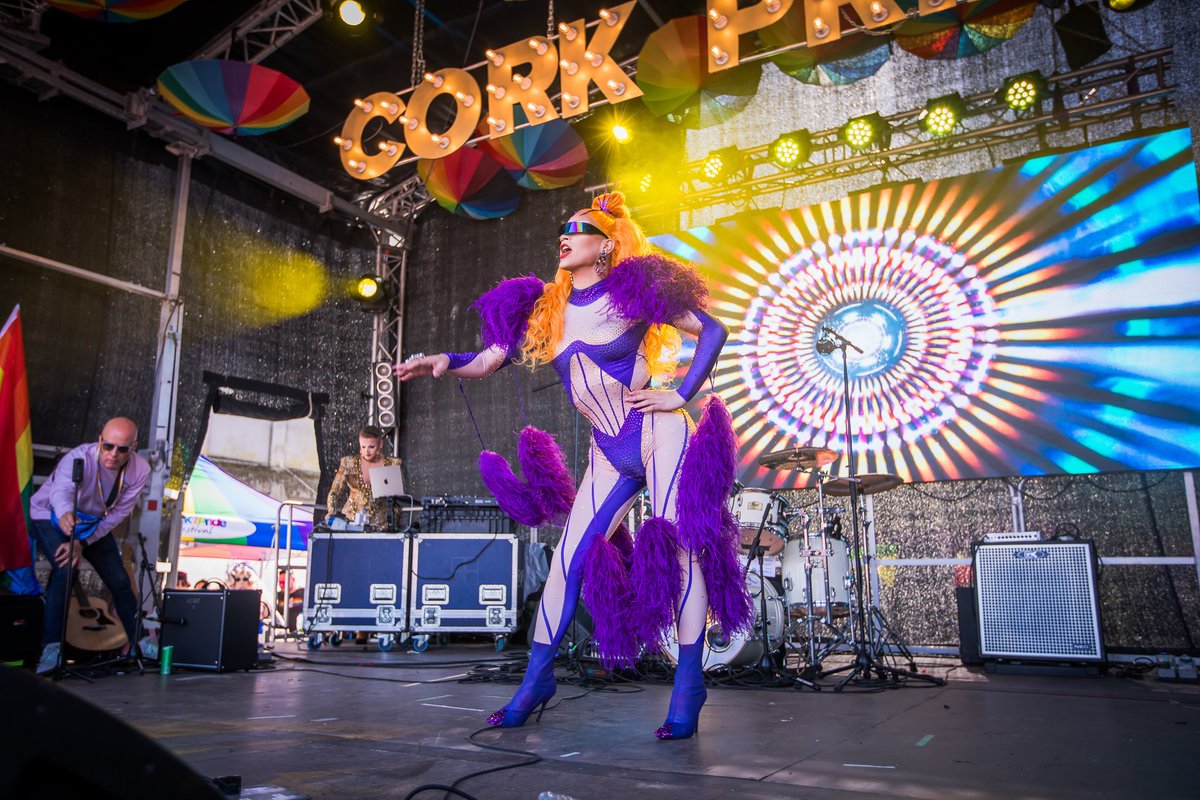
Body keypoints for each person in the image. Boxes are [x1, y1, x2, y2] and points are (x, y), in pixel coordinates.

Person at [395, 192, 751, 740]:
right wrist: (444, 361)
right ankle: (537, 679)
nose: (565, 234)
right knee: (568, 560)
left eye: (579, 227)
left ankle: (688, 683)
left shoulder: (632, 290)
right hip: (606, 452)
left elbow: (713, 330)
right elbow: (488, 359)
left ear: (607, 244)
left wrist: (680, 394)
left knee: (680, 548)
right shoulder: (545, 307)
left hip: (656, 431)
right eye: (562, 227)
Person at [30, 417, 150, 675]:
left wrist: (82, 542)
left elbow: (119, 514)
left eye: (122, 449)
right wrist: (65, 518)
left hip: (94, 525)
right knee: (65, 571)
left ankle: (141, 643)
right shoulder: (79, 459)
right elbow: (60, 493)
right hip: (52, 514)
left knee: (119, 579)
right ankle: (51, 649)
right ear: (99, 441)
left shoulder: (141, 469)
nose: (113, 454)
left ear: (134, 447)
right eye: (108, 446)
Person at [325, 425, 403, 530]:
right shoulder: (349, 463)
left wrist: (392, 522)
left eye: (371, 447)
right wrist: (332, 513)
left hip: (381, 527)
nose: (367, 451)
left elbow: (397, 500)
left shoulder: (392, 464)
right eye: (363, 447)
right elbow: (334, 492)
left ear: (380, 444)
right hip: (351, 522)